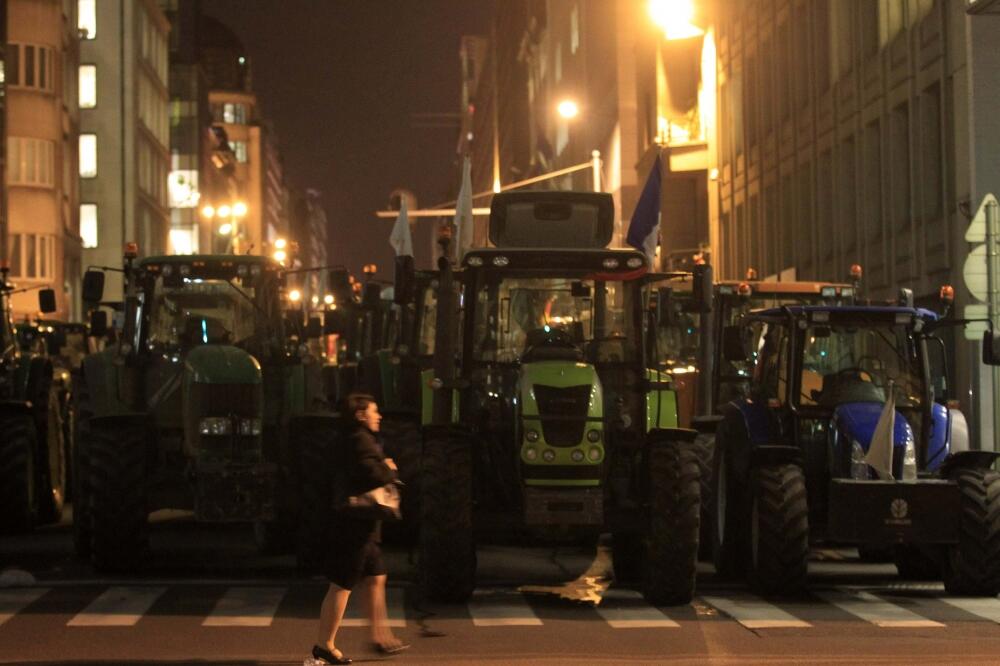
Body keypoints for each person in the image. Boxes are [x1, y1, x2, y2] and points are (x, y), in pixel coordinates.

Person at [311, 392, 409, 665]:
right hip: (352, 526)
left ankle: (380, 636)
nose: (379, 416)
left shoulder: (351, 438)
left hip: (362, 526)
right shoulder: (358, 440)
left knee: (377, 576)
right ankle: (324, 645)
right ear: (360, 415)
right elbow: (372, 474)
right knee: (342, 584)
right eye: (374, 411)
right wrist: (389, 468)